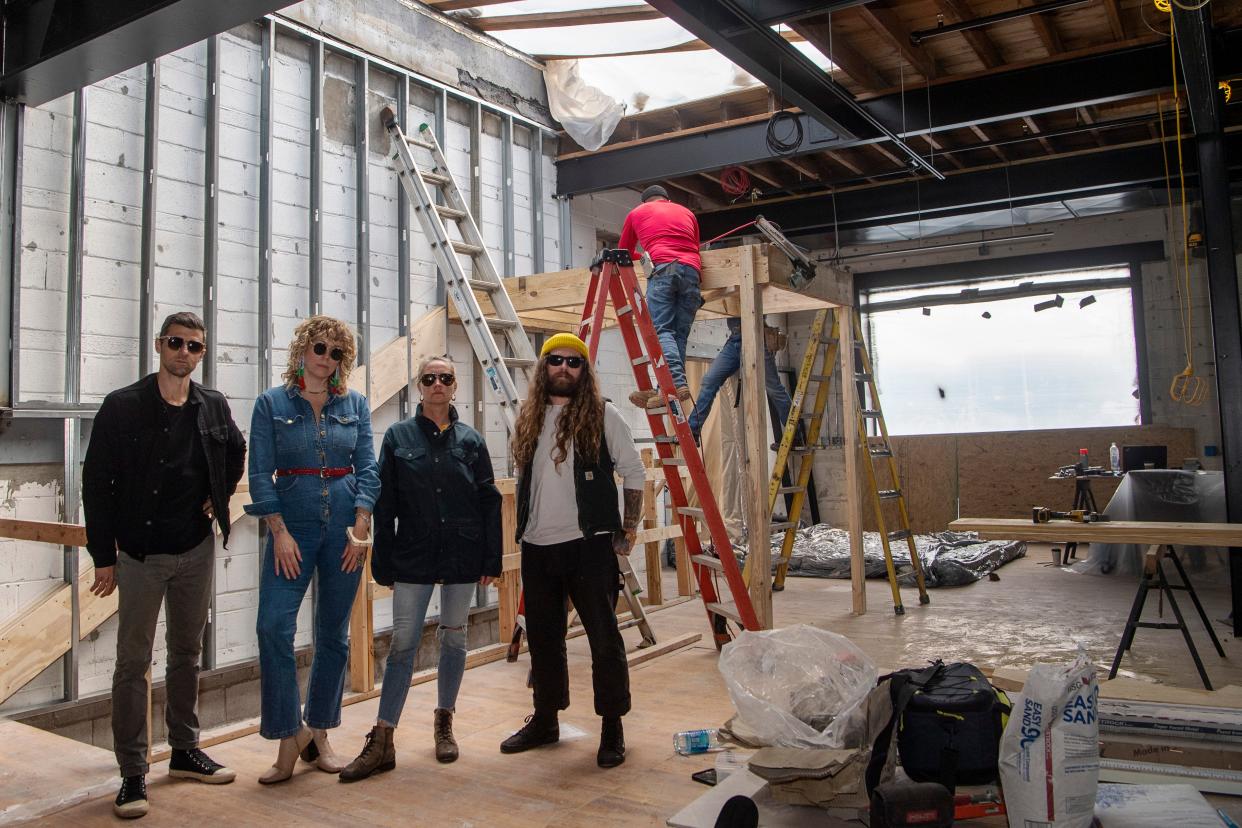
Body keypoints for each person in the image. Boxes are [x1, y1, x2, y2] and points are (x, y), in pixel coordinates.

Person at [82, 311, 247, 819]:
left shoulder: (212, 406)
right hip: (139, 555)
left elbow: (236, 453)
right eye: (176, 343)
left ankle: (183, 750)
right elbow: (96, 483)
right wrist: (102, 556)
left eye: (194, 347)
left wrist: (214, 499)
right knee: (133, 663)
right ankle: (133, 773)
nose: (184, 353)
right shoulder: (123, 406)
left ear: (201, 353)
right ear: (159, 346)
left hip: (195, 549)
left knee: (186, 653)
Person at [340, 355, 502, 781]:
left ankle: (444, 720)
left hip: (462, 555)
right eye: (429, 378)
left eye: (445, 378)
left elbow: (489, 500)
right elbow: (386, 502)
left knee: (454, 638)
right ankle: (384, 736)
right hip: (413, 554)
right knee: (403, 644)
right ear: (419, 386)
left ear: (454, 386)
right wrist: (384, 559)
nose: (437, 384)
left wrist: (492, 557)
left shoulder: (472, 440)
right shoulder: (397, 437)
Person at [499, 333, 646, 768]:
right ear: (544, 367)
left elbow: (633, 471)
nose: (564, 368)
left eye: (574, 362)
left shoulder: (603, 415)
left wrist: (630, 528)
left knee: (603, 638)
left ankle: (612, 726)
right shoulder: (528, 416)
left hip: (589, 545)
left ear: (584, 371)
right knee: (544, 638)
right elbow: (526, 478)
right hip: (538, 546)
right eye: (555, 360)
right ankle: (546, 719)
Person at [245, 315, 380, 785]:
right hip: (293, 524)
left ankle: (320, 732)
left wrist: (361, 524)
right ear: (303, 349)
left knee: (333, 634)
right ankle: (289, 735)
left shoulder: (355, 404)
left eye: (337, 353)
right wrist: (277, 530)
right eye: (320, 348)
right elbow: (261, 472)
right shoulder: (271, 404)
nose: (327, 359)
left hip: (344, 524)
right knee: (273, 627)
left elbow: (367, 467)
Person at [618, 184, 702, 409]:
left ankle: (673, 381)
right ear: (667, 199)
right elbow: (694, 246)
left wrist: (644, 256)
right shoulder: (687, 213)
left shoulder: (637, 213)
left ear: (645, 201)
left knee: (661, 331)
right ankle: (662, 389)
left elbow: (623, 251)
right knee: (678, 336)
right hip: (692, 273)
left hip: (664, 269)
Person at [688, 317, 794, 444]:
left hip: (758, 337)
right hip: (735, 340)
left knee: (774, 388)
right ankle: (692, 430)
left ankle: (794, 433)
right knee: (710, 380)